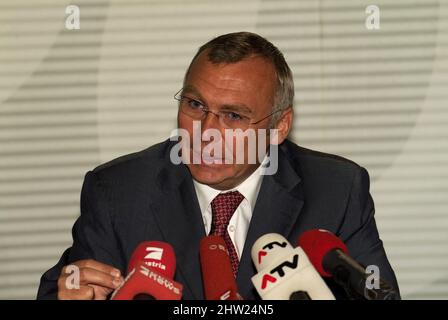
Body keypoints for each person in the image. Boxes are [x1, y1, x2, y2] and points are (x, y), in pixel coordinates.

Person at [37, 31, 400, 300]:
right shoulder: (118, 190)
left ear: (280, 126)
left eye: (233, 116)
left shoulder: (336, 190)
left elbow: (378, 293)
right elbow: (66, 286)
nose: (206, 132)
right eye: (195, 105)